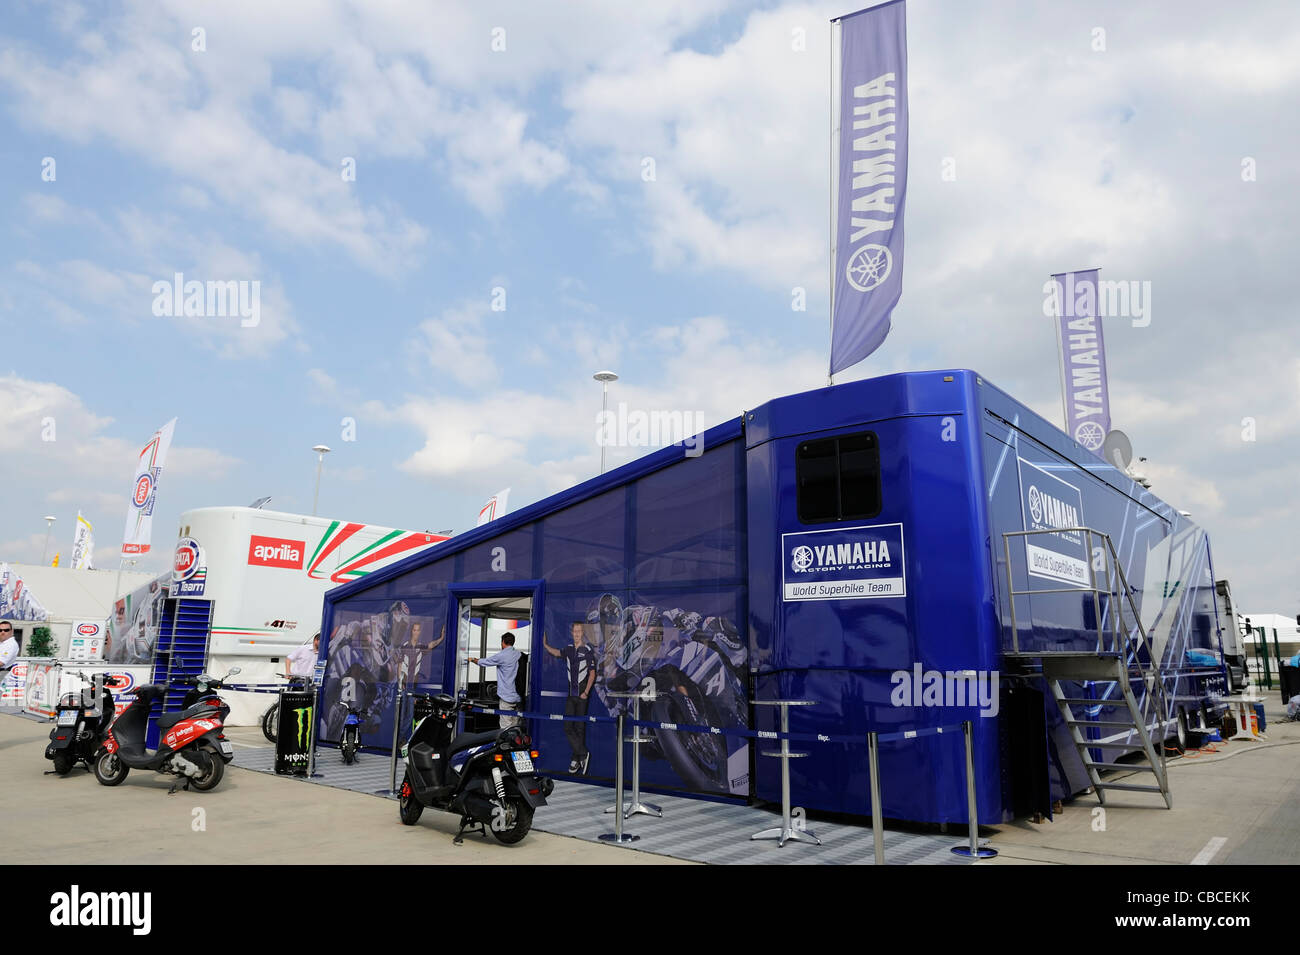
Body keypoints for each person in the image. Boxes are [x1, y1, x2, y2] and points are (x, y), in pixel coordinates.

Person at [543, 620, 597, 774]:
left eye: (579, 631)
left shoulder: (587, 650)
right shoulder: (567, 649)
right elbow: (557, 653)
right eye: (575, 631)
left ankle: (576, 758)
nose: (577, 633)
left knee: (579, 728)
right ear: (572, 632)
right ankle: (582, 754)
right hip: (570, 695)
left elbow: (592, 673)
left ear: (583, 633)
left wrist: (586, 692)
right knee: (567, 727)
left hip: (581, 695)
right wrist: (545, 645)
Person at [469, 632, 522, 729]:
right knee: (516, 726)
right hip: (518, 698)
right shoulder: (518, 654)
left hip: (506, 697)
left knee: (506, 727)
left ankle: (507, 744)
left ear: (503, 642)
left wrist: (472, 659)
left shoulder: (502, 655)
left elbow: (485, 662)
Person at [0, 621, 18, 692]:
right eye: (0, 630)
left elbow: (1, 663)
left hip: (2, 673)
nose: (3, 632)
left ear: (11, 631)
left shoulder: (11, 645)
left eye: (6, 630)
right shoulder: (3, 643)